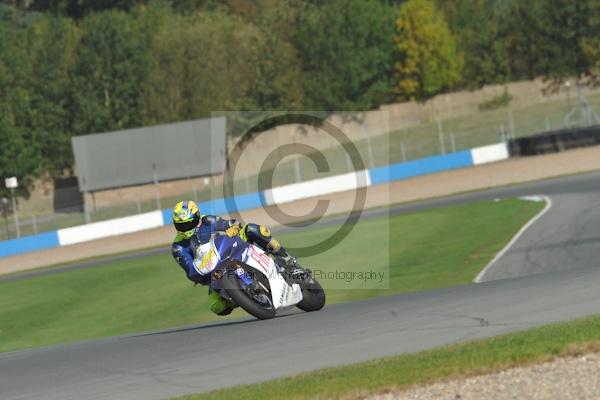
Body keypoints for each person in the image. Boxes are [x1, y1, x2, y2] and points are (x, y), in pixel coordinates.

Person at [171, 200, 297, 316]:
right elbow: (191, 272)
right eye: (181, 226)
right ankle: (239, 297)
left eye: (189, 223)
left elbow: (232, 223)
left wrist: (233, 228)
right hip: (214, 273)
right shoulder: (178, 247)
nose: (186, 228)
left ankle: (285, 257)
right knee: (217, 307)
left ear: (197, 217)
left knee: (253, 229)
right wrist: (200, 272)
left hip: (232, 248)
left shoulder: (208, 221)